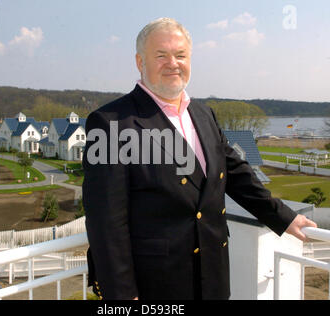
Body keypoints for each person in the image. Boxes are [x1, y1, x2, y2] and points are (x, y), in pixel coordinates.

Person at [82, 17, 317, 300]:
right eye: (161, 55)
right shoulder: (111, 123)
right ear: (140, 62)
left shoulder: (204, 114)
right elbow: (106, 222)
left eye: (180, 55)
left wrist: (283, 218)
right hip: (154, 285)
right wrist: (122, 295)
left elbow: (236, 173)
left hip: (212, 277)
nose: (173, 63)